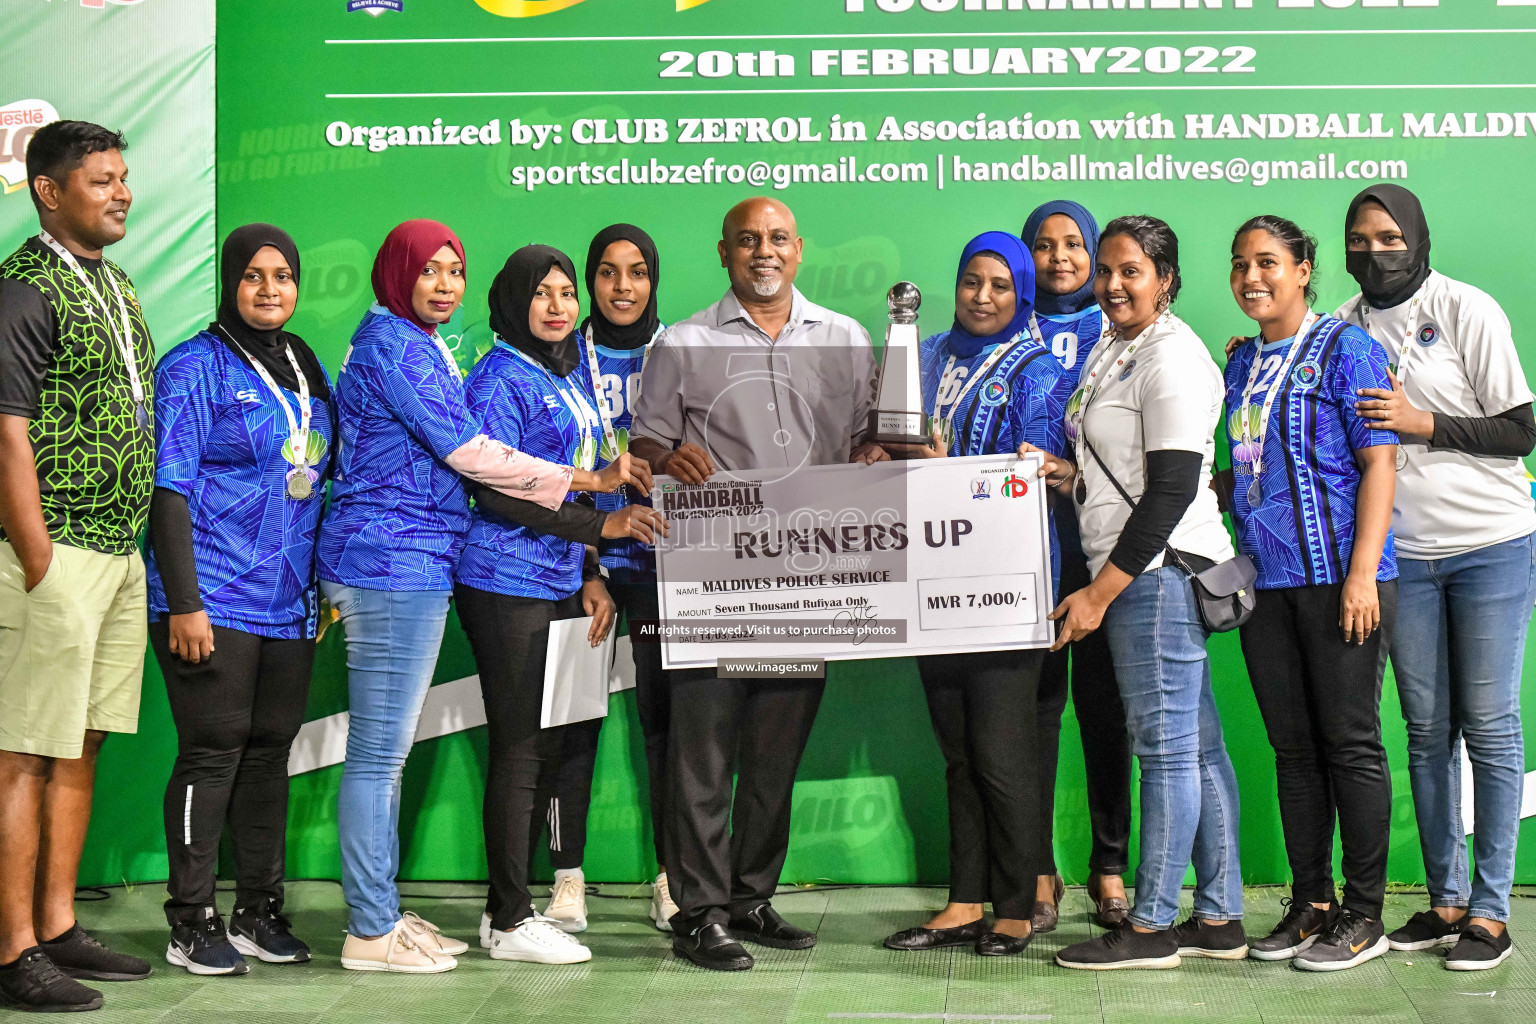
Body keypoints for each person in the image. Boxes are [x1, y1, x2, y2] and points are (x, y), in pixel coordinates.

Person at [316, 220, 644, 974]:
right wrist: (595, 491)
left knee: (420, 753)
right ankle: (378, 927)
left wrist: (589, 555)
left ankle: (390, 913)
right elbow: (474, 460)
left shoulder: (423, 343)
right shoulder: (412, 349)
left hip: (436, 562)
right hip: (403, 562)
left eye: (452, 271)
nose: (442, 284)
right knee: (386, 755)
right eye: (428, 270)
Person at [628, 197, 885, 971]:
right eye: (748, 241)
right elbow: (643, 444)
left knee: (777, 748)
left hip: (810, 577)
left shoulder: (846, 338)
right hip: (712, 576)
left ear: (799, 250)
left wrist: (879, 453)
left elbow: (873, 433)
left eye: (776, 239)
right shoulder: (681, 341)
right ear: (724, 253)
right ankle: (699, 912)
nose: (763, 252)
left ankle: (749, 896)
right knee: (701, 753)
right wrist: (667, 458)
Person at [1339, 184, 1536, 972]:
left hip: (1490, 543)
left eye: (1389, 237)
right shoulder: (1343, 329)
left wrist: (1427, 423)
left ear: (1417, 238)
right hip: (1402, 557)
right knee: (1426, 733)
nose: (1375, 251)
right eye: (1359, 239)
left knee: (1488, 725)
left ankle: (1490, 910)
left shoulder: (1467, 309)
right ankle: (1445, 898)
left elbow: (1522, 426)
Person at [1041, 215, 1246, 971]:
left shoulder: (1174, 358)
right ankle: (1220, 917)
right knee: (1197, 749)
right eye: (1107, 270)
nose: (1114, 284)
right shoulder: (1114, 347)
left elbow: (1169, 493)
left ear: (1165, 277)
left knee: (1164, 754)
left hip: (1152, 578)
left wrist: (1098, 594)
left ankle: (1153, 924)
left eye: (1132, 271)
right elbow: (1119, 466)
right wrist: (1068, 476)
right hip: (1139, 571)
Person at [455, 245, 665, 965]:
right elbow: (494, 490)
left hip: (556, 580)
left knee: (540, 747)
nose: (558, 305)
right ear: (514, 300)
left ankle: (503, 914)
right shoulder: (497, 376)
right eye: (542, 293)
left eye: (565, 292)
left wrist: (588, 568)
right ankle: (510, 918)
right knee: (518, 749)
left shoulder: (567, 373)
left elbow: (580, 479)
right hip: (503, 579)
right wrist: (599, 526)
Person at [143, 225, 334, 976]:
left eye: (282, 276)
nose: (268, 289)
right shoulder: (194, 366)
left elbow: (317, 479)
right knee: (211, 753)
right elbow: (169, 488)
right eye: (253, 276)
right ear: (230, 281)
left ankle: (259, 910)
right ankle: (190, 920)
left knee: (267, 755)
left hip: (288, 599)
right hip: (212, 595)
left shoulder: (302, 364)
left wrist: (320, 588)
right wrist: (183, 602)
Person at [0, 120, 155, 1013]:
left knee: (82, 742)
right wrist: (35, 557)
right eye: (100, 181)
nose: (121, 192)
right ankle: (12, 945)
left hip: (119, 553)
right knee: (22, 751)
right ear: (49, 192)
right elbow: (6, 433)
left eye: (123, 177)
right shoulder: (23, 289)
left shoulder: (116, 283)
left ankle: (56, 923)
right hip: (55, 559)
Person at [879, 231, 1065, 958]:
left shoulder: (1038, 371)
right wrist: (879, 446)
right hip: (930, 582)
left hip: (1005, 584)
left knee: (1002, 753)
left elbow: (1037, 471)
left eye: (999, 285)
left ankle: (1015, 907)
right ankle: (962, 901)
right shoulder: (923, 355)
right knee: (957, 750)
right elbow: (892, 434)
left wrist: (946, 463)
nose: (982, 297)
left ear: (1021, 293)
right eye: (970, 282)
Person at [1224, 216, 1399, 971]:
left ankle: (1364, 915)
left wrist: (1363, 574)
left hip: (1340, 579)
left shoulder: (1347, 347)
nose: (1252, 277)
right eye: (1240, 265)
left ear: (1303, 270)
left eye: (1268, 262)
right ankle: (1311, 903)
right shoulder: (1239, 366)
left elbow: (1381, 463)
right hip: (1267, 583)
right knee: (1293, 750)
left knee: (1350, 745)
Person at [523, 224, 676, 936]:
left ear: (653, 280)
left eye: (637, 272)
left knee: (670, 727)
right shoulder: (557, 356)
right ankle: (567, 879)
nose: (622, 287)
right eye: (608, 273)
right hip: (581, 566)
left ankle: (675, 877)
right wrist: (589, 565)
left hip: (667, 566)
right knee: (572, 722)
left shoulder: (680, 350)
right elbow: (541, 469)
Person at [1020, 200, 1132, 932]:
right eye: (1044, 245)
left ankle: (1110, 866)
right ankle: (1035, 869)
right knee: (1029, 716)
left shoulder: (1121, 328)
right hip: (1015, 553)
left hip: (1098, 550)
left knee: (1106, 710)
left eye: (1073, 244)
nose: (1059, 258)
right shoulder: (1004, 320)